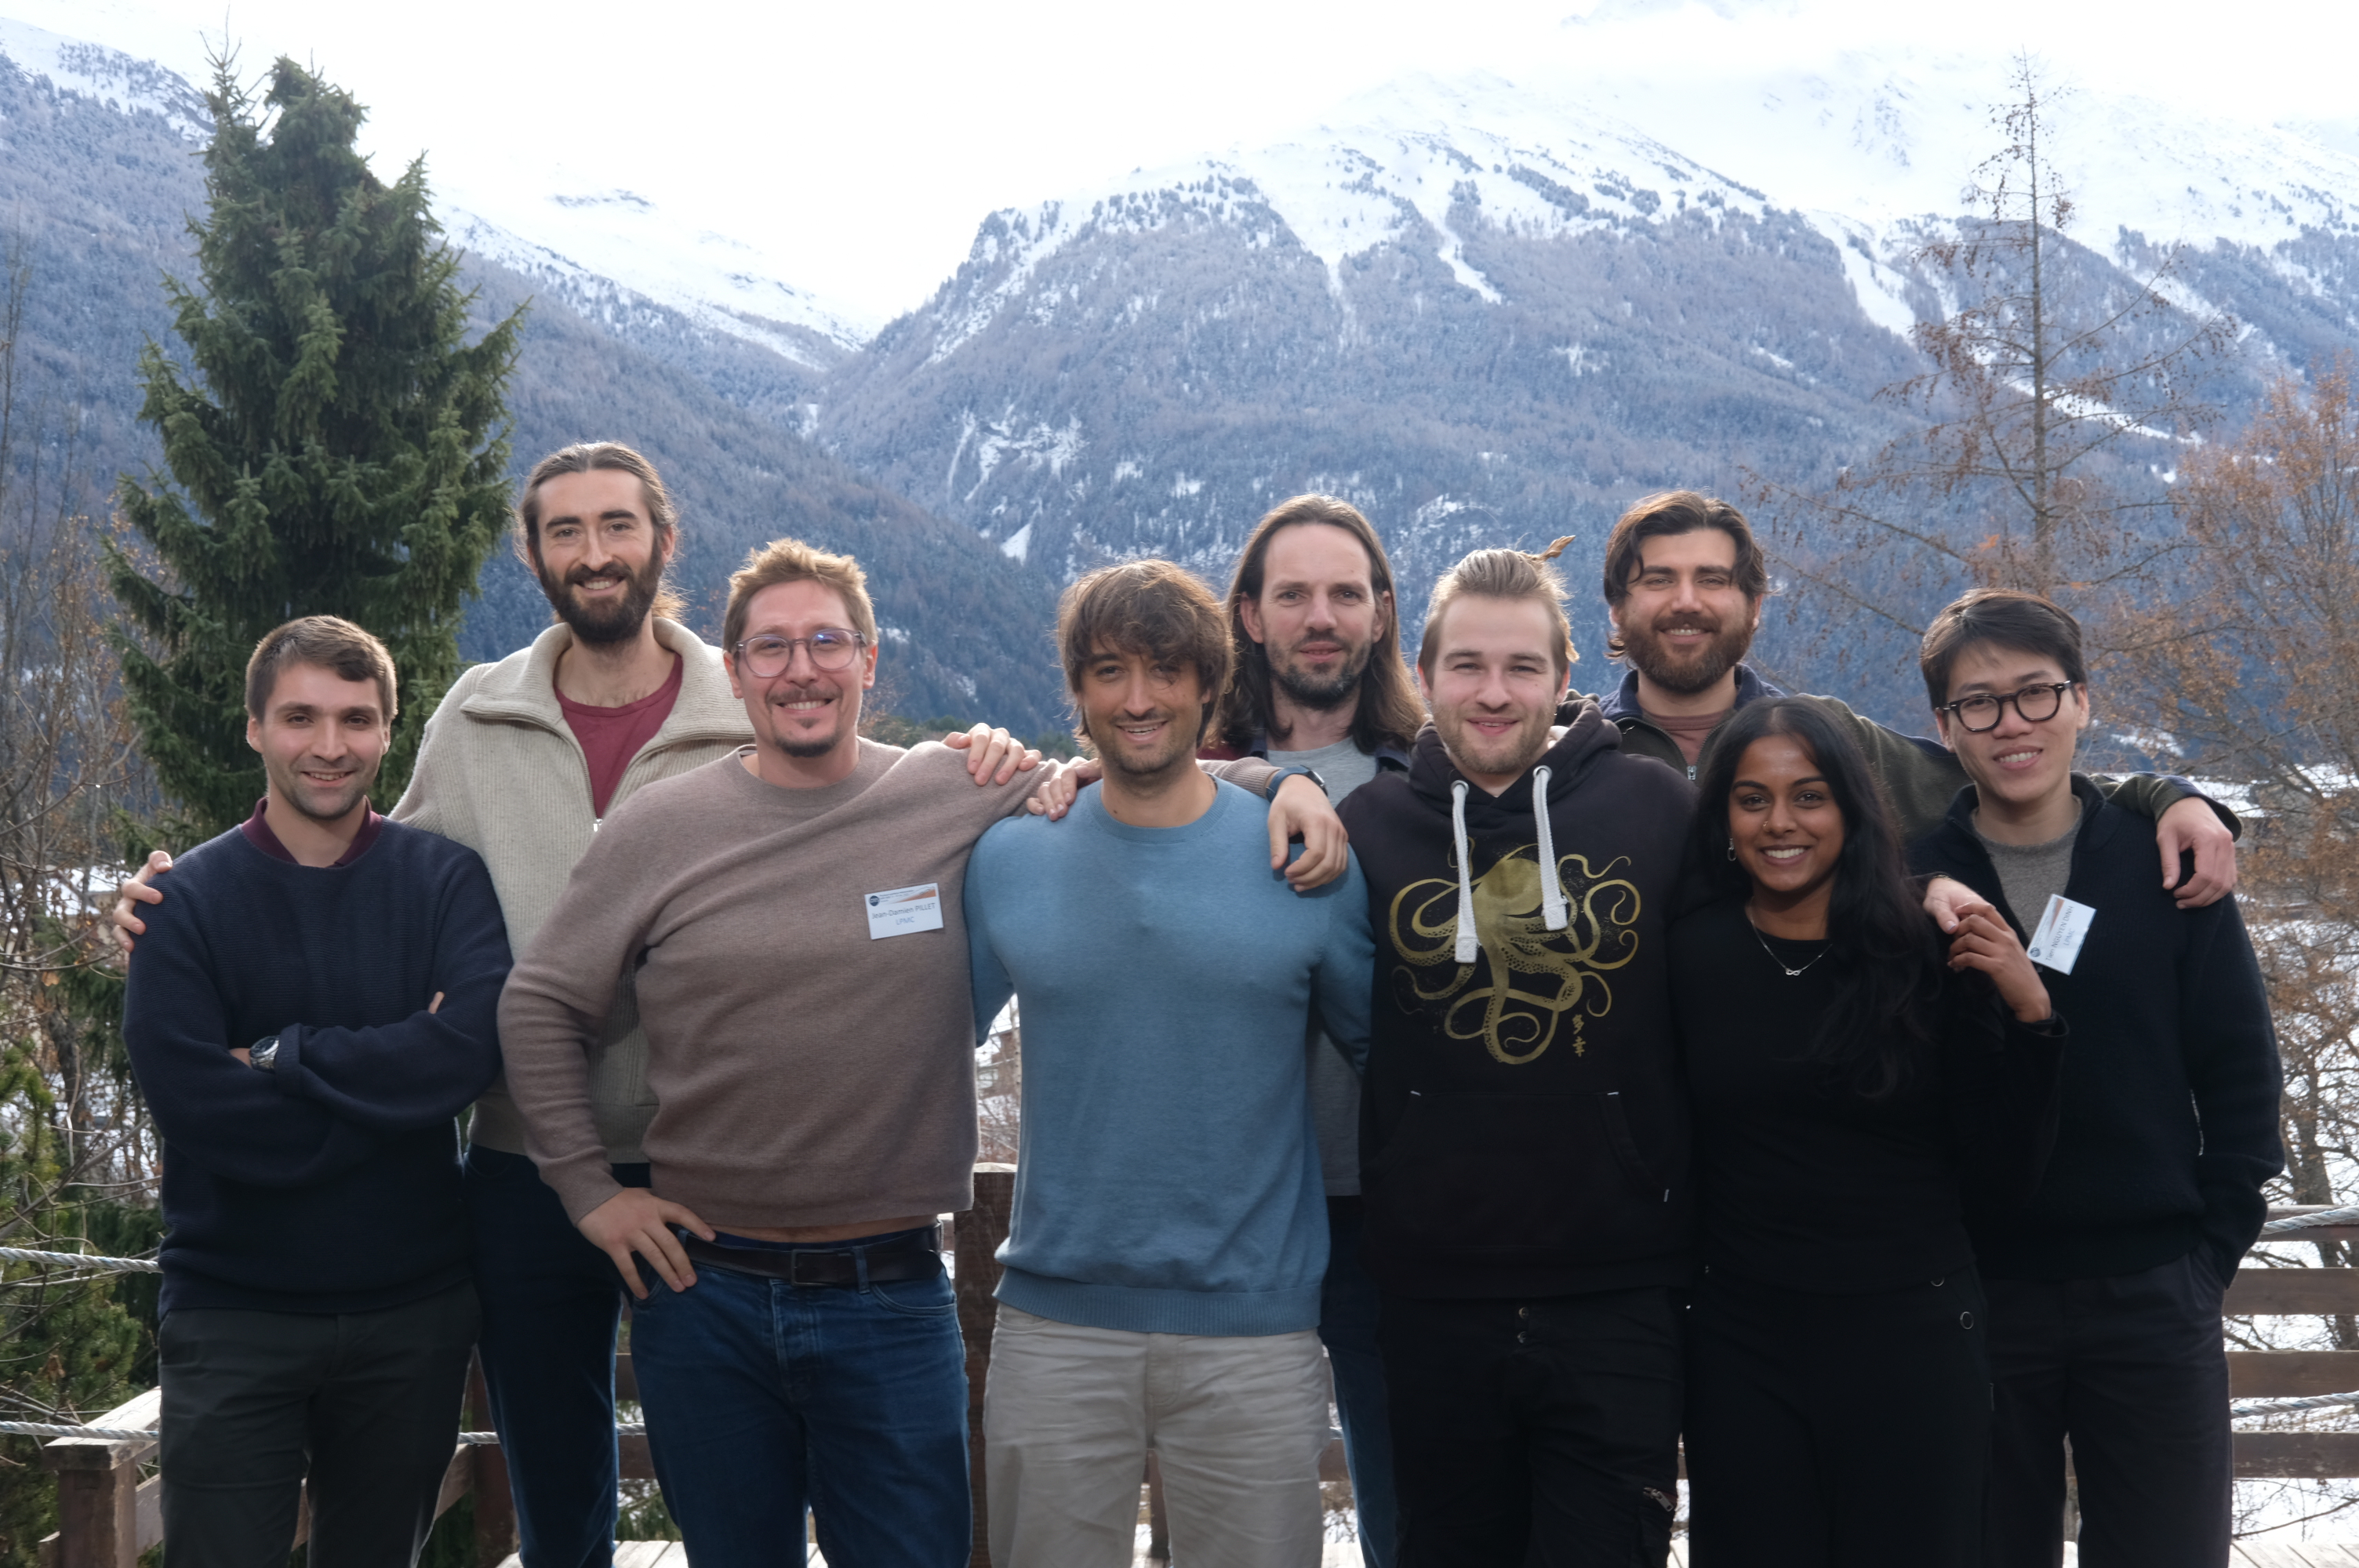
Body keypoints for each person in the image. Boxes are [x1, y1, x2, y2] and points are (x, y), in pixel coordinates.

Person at [107, 443, 1041, 1566]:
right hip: (528, 1158)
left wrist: (1053, 779)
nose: (594, 553)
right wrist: (177, 897)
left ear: (663, 541)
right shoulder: (477, 714)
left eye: (617, 525)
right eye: (565, 531)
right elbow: (369, 860)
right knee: (554, 1480)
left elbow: (1030, 814)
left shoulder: (751, 694)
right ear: (535, 553)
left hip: (712, 1175)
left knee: (722, 1476)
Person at [494, 536, 1316, 1567]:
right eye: (772, 647)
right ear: (733, 670)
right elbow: (541, 1003)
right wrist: (587, 1189)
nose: (801, 669)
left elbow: (1139, 758)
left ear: (869, 661)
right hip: (707, 1296)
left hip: (887, 1291)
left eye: (827, 642)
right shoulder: (660, 826)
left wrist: (1275, 782)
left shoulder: (955, 789)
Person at [965, 558, 1377, 1568]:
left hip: (1255, 1328)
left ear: (1208, 684)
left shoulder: (1305, 859)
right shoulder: (1009, 858)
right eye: (1109, 671)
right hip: (1053, 1323)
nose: (1138, 699)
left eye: (1164, 671)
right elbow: (921, 1043)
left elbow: (1391, 1064)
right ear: (1077, 691)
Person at [1334, 543, 1696, 1566]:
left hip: (1619, 1291)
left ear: (1564, 676)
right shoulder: (1368, 826)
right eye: (1467, 665)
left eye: (1521, 667)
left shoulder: (1655, 807)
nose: (1493, 693)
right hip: (1431, 1295)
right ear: (1422, 674)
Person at [122, 617, 510, 1568]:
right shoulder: (181, 903)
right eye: (300, 716)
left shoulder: (445, 882)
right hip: (234, 1308)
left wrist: (276, 1058)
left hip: (411, 1311)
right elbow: (201, 1112)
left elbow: (466, 1053)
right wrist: (395, 1093)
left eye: (356, 718)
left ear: (388, 731)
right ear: (254, 726)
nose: (329, 745)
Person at [1906, 589, 2283, 1568]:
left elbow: (2239, 1071)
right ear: (1943, 726)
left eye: (2035, 692)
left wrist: (2207, 1253)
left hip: (2153, 1292)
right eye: (1978, 702)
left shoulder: (2165, 863)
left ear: (2080, 699)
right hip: (1975, 1300)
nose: (2011, 722)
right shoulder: (1915, 880)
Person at [1672, 698, 2063, 1566]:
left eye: (1809, 796)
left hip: (1911, 1333)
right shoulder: (1689, 951)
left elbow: (2004, 1175)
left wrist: (2034, 1015)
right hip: (1742, 1341)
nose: (1780, 822)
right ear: (1722, 818)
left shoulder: (1926, 952)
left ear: (1852, 807)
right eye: (1752, 799)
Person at [1592, 489, 2240, 895]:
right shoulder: (1581, 754)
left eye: (1712, 580)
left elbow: (2008, 778)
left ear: (1754, 606)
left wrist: (2163, 795)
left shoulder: (1826, 738)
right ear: (1618, 608)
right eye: (1658, 580)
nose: (1686, 601)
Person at [1205, 492, 1425, 1567]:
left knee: (1410, 1509)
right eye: (1292, 594)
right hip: (1240, 1210)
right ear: (1250, 616)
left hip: (1401, 1205)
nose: (1321, 617)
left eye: (1345, 593)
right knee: (1238, 1518)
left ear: (1380, 612)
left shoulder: (1433, 778)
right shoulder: (1185, 781)